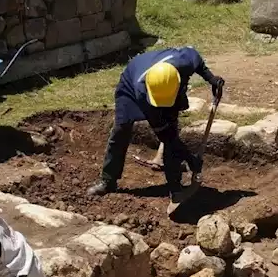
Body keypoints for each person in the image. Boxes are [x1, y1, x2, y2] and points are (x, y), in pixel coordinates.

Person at [87, 46, 225, 206]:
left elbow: (197, 60)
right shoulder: (141, 92)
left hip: (168, 87)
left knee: (171, 126)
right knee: (121, 128)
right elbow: (167, 137)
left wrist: (211, 79)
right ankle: (108, 180)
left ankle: (175, 187)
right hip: (130, 86)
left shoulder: (185, 61)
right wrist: (190, 158)